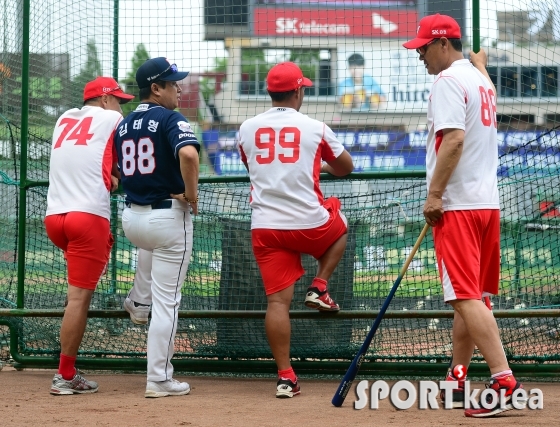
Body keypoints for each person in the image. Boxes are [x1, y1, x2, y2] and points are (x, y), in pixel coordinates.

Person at [403, 14, 525, 417]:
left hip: (458, 205)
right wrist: (483, 65)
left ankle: (504, 380)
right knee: (471, 299)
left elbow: (453, 140)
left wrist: (435, 195)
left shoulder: (447, 81)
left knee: (466, 297)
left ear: (442, 45)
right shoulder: (477, 79)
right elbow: (484, 87)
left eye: (423, 47)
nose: (419, 55)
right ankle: (456, 380)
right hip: (487, 204)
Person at [238, 62, 354, 398]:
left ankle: (286, 377)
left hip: (266, 227)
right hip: (309, 223)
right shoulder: (315, 127)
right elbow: (345, 168)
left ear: (269, 92)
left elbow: (254, 166)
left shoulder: (246, 127)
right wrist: (316, 162)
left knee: (277, 304)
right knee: (341, 224)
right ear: (300, 91)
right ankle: (319, 286)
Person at [114, 57, 200, 398]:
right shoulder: (169, 118)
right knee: (169, 303)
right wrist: (191, 195)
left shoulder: (121, 125)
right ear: (155, 88)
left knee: (149, 253)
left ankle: (137, 300)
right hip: (166, 216)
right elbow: (190, 157)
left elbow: (120, 168)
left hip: (132, 218)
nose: (178, 87)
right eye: (172, 83)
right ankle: (159, 379)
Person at [45, 77, 134, 395]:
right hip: (87, 218)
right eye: (118, 100)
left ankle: (68, 373)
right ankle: (64, 375)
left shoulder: (63, 118)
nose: (121, 106)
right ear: (106, 99)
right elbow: (125, 163)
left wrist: (108, 174)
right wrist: (114, 176)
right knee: (78, 300)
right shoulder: (113, 118)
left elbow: (89, 159)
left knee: (77, 295)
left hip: (55, 218)